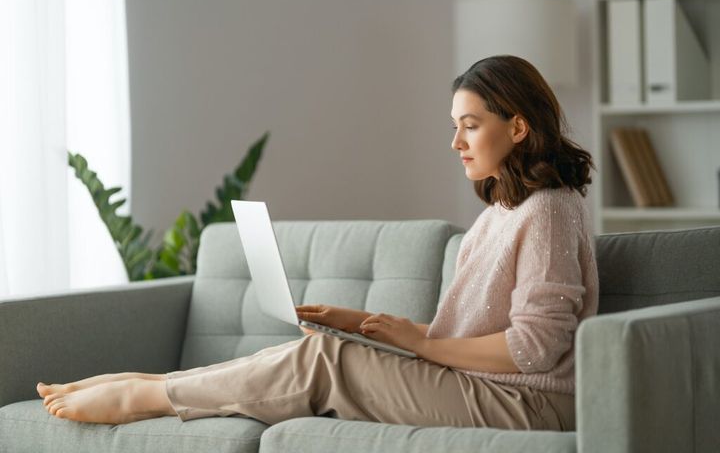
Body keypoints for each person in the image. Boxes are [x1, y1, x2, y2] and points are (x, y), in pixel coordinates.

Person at [36, 54, 599, 431]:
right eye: (454, 125)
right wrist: (365, 323)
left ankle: (145, 398)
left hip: (528, 406)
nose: (455, 141)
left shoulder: (548, 210)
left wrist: (420, 344)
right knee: (319, 347)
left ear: (518, 128)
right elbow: (477, 339)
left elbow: (534, 349)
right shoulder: (504, 210)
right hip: (484, 386)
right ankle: (157, 381)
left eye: (470, 125)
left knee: (322, 359)